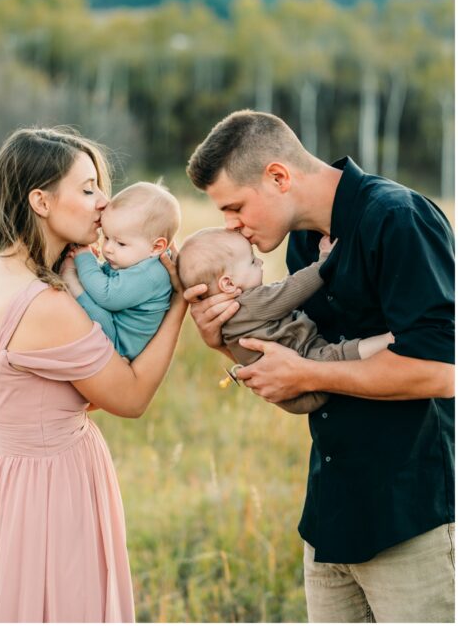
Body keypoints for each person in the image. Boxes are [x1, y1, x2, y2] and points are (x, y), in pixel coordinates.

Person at [184, 110, 454, 622]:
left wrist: (308, 374)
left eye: (235, 207)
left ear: (279, 177)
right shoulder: (304, 243)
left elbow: (441, 370)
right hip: (330, 519)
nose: (230, 226)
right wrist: (229, 344)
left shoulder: (398, 218)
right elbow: (308, 376)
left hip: (410, 519)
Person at [0, 127, 188, 623]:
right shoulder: (46, 304)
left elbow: (67, 392)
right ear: (40, 201)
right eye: (87, 189)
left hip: (11, 479)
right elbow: (129, 397)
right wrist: (179, 302)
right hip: (49, 490)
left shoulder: (3, 273)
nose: (103, 203)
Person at [177, 226, 393, 413]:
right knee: (335, 354)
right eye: (252, 261)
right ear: (228, 284)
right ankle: (390, 340)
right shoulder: (250, 304)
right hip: (305, 384)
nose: (260, 262)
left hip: (289, 396)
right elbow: (292, 289)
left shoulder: (228, 320)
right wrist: (324, 262)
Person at [68, 180, 179, 359]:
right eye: (106, 238)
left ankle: (69, 280)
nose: (108, 249)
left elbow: (107, 295)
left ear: (156, 247)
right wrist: (95, 266)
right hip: (115, 323)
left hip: (119, 342)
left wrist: (84, 258)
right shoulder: (139, 259)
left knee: (98, 313)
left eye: (120, 243)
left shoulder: (152, 275)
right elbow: (113, 282)